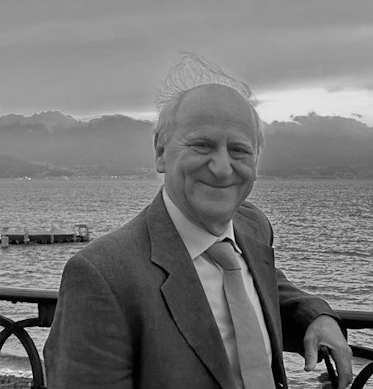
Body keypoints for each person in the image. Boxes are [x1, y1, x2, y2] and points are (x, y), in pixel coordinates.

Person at [44, 54, 353, 389]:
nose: (222, 168)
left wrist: (316, 316)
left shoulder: (252, 227)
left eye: (239, 150)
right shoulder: (101, 274)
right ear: (161, 153)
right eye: (202, 145)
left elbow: (263, 286)